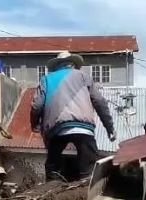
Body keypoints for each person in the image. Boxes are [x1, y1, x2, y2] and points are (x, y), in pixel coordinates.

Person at [31, 51, 116, 181]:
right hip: (84, 128)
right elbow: (99, 102)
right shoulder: (84, 76)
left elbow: (37, 105)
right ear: (73, 64)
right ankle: (86, 188)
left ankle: (52, 190)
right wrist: (109, 128)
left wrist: (35, 124)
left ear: (56, 65)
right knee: (88, 173)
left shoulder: (46, 79)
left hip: (55, 129)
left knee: (53, 170)